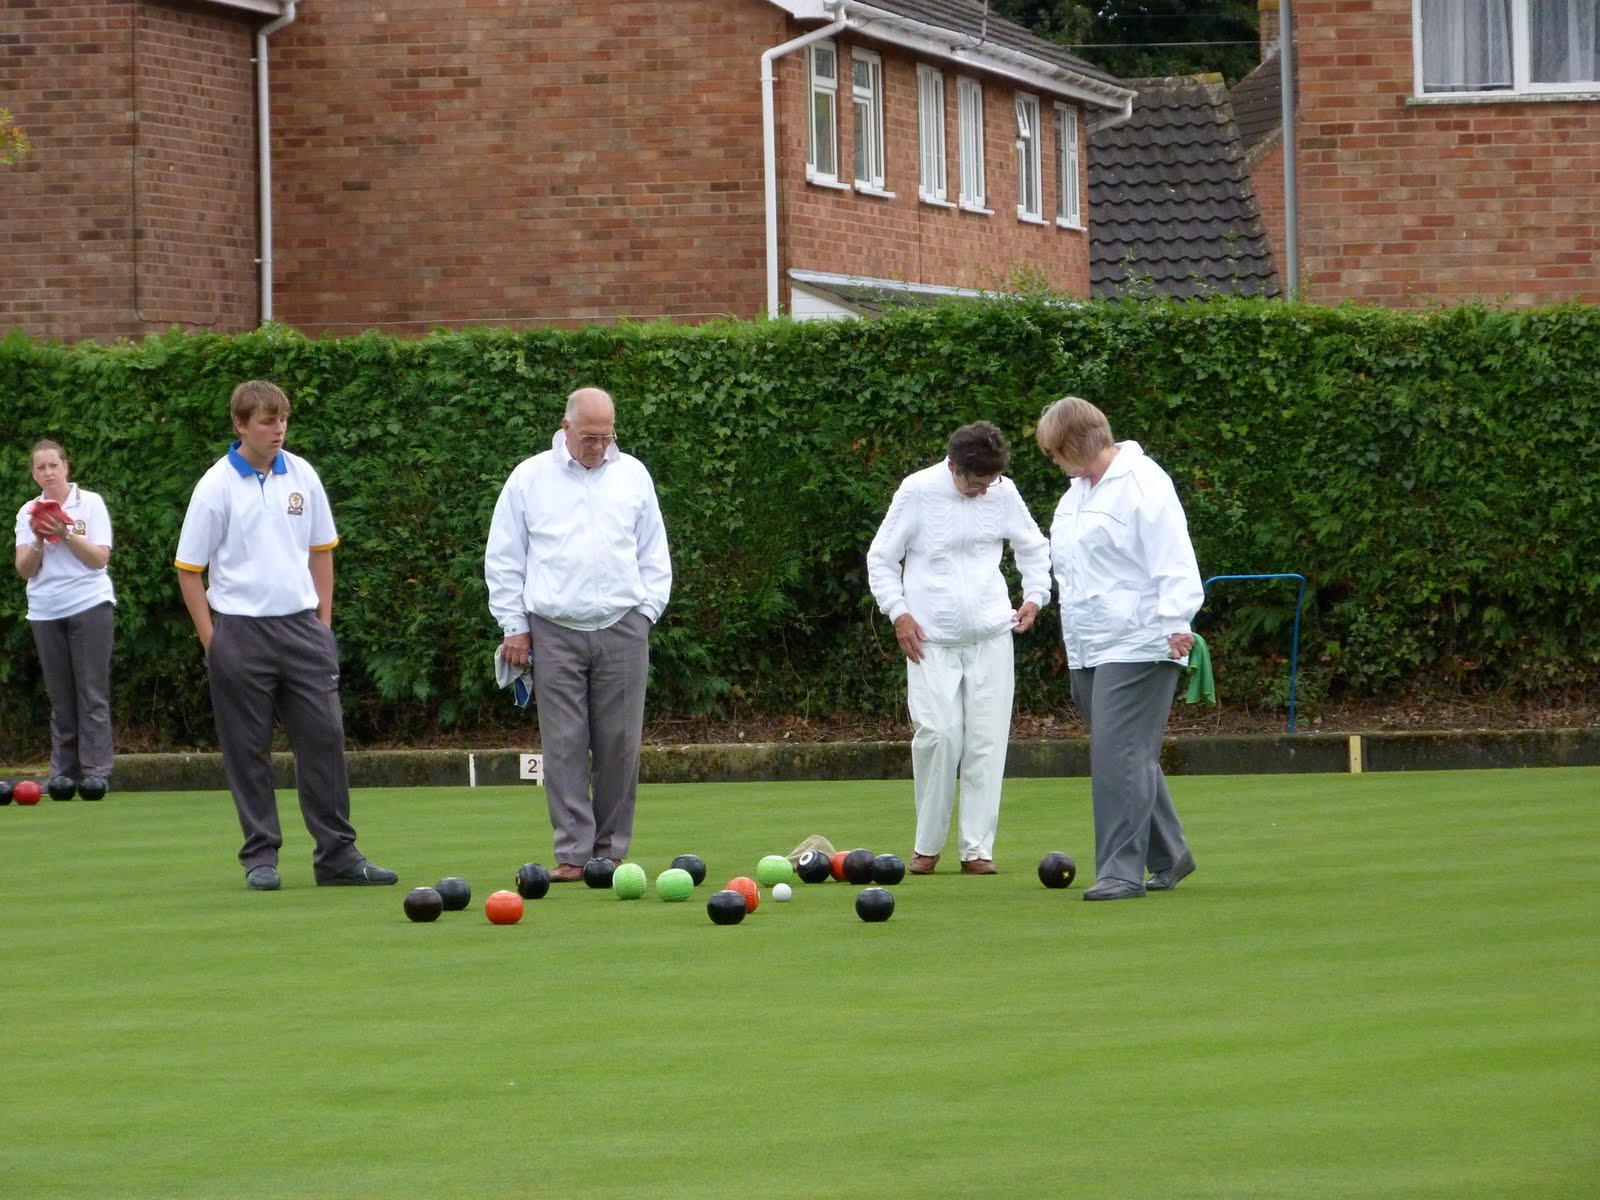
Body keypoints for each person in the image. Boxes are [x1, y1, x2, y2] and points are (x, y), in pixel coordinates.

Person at [175, 381, 396, 892]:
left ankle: (337, 856)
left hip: (302, 630)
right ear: (240, 425)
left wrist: (323, 626)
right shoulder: (215, 486)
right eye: (266, 421)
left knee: (325, 739)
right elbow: (189, 570)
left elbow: (322, 551)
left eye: (282, 420)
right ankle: (260, 857)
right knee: (247, 749)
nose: (278, 430)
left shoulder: (302, 474)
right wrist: (213, 642)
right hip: (239, 632)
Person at [485, 386, 672, 882]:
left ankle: (610, 853)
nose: (599, 446)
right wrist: (515, 627)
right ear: (566, 428)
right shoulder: (529, 478)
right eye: (590, 437)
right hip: (554, 629)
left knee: (620, 743)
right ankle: (572, 854)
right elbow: (505, 557)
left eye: (607, 437)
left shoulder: (633, 474)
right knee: (564, 745)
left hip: (623, 625)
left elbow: (653, 551)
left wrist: (646, 612)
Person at [1036, 396, 1204, 900]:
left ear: (1075, 443)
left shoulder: (1143, 483)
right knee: (1127, 755)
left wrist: (1176, 621)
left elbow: (1173, 555)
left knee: (1118, 756)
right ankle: (1170, 854)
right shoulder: (1075, 496)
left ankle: (1120, 871)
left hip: (1141, 639)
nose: (1052, 461)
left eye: (1054, 451)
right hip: (1089, 644)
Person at [867, 421, 1052, 876]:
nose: (984, 491)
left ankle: (976, 849)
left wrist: (1035, 595)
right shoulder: (916, 491)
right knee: (939, 735)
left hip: (992, 634)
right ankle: (927, 845)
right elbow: (881, 558)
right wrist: (899, 613)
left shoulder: (1003, 492)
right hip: (931, 641)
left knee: (987, 742)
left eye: (991, 482)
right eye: (976, 483)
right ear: (953, 467)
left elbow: (1033, 546)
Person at [12, 440, 116, 793]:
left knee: (91, 691)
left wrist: (65, 533)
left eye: (53, 465)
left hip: (89, 604)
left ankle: (96, 772)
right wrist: (40, 539)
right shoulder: (28, 512)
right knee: (60, 696)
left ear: (66, 467)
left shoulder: (91, 503)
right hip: (45, 611)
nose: (48, 473)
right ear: (34, 474)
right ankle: (63, 773)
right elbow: (25, 569)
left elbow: (99, 559)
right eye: (40, 468)